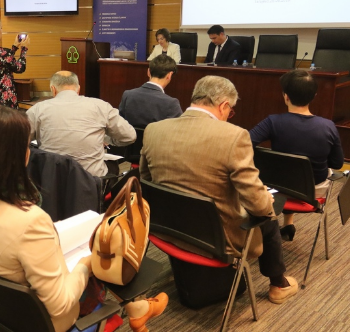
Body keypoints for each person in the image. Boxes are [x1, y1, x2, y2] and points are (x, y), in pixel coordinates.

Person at [0, 105, 168, 332]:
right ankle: (137, 308)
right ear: (21, 155)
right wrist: (85, 265)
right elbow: (61, 305)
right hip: (42, 322)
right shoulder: (30, 221)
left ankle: (138, 309)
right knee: (101, 254)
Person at [139, 75, 298, 304]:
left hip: (166, 229)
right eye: (230, 111)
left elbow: (146, 180)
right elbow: (259, 206)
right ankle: (278, 285)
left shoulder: (154, 130)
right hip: (217, 240)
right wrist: (264, 198)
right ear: (223, 106)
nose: (229, 116)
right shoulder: (234, 136)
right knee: (268, 212)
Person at [250, 70, 344, 240]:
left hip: (275, 188)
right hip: (312, 193)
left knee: (288, 169)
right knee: (303, 171)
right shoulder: (328, 126)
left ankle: (284, 225)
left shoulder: (272, 122)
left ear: (285, 96)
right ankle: (288, 225)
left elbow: (245, 143)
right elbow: (337, 164)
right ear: (314, 96)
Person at [26, 71, 135, 177]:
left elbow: (20, 141)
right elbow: (129, 136)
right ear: (78, 89)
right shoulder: (101, 106)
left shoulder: (37, 109)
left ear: (53, 90)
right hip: (92, 180)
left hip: (50, 180)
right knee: (112, 166)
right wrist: (105, 138)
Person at [119, 54, 182, 128]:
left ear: (148, 72)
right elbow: (177, 131)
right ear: (169, 75)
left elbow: (120, 126)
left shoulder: (128, 95)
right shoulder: (172, 104)